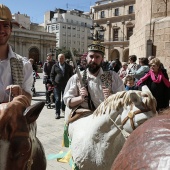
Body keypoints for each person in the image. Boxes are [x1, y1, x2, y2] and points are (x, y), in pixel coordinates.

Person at [63, 42, 125, 123]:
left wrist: (111, 97)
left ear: (102, 59)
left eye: (97, 57)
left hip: (108, 120)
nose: (93, 60)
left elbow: (124, 99)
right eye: (91, 56)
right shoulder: (78, 78)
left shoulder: (112, 76)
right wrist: (81, 98)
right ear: (86, 58)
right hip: (85, 120)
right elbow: (68, 101)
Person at [0, 4, 33, 103]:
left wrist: (21, 92)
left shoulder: (24, 65)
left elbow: (29, 99)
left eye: (5, 25)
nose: (1, 30)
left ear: (11, 30)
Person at [50, 53, 73, 119]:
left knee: (64, 99)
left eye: (62, 58)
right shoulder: (55, 66)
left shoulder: (69, 66)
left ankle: (63, 109)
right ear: (58, 59)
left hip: (66, 86)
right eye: (60, 58)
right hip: (57, 86)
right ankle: (57, 113)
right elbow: (52, 75)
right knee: (57, 99)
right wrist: (54, 83)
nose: (61, 59)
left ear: (64, 58)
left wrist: (70, 84)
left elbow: (72, 76)